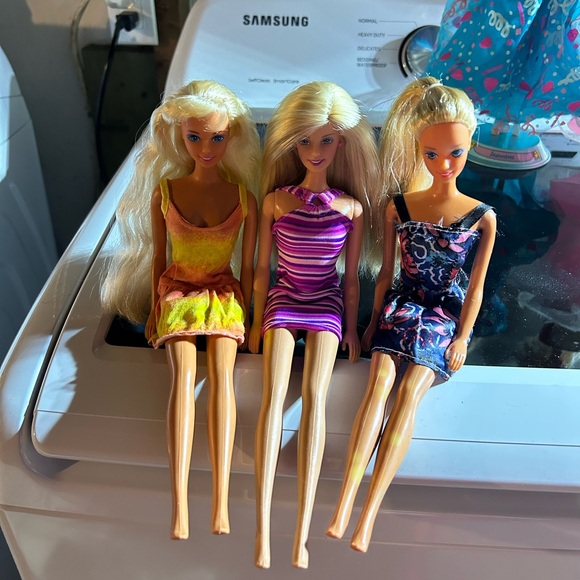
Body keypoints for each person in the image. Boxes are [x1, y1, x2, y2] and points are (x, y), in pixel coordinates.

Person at [326, 77, 497, 552]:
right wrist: (371, 320)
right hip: (401, 305)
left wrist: (462, 338)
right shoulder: (398, 207)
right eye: (432, 154)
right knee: (378, 385)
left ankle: (367, 517)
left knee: (408, 395)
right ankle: (343, 504)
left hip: (442, 317)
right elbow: (385, 274)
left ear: (470, 145)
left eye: (455, 153)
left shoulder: (481, 216)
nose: (444, 165)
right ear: (418, 150)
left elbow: (476, 289)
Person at [101, 80, 260, 540]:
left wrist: (249, 315)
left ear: (232, 137)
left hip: (224, 294)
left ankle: (221, 503)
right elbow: (158, 257)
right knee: (184, 376)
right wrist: (156, 306)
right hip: (178, 291)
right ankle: (180, 506)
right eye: (195, 137)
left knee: (224, 378)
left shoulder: (244, 199)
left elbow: (250, 266)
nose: (206, 148)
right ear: (179, 137)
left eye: (217, 137)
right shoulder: (165, 192)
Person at [248, 81, 380, 569]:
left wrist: (351, 326)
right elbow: (262, 269)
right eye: (305, 140)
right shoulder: (275, 202)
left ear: (341, 142)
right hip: (284, 300)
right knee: (272, 396)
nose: (315, 150)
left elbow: (351, 280)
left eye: (325, 140)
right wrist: (256, 321)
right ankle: (263, 531)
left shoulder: (352, 208)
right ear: (291, 143)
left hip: (325, 303)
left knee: (315, 398)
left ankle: (301, 534)